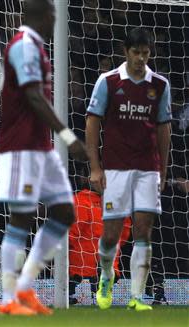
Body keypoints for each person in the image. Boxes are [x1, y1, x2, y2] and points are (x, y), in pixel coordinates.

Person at [0, 0, 87, 316]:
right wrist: (68, 137)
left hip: (41, 148)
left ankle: (25, 287)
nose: (55, 21)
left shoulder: (36, 46)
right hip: (21, 147)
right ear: (41, 15)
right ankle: (8, 298)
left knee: (64, 212)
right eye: (52, 15)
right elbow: (33, 96)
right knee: (21, 217)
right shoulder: (23, 46)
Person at [85, 27, 171, 311]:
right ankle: (107, 276)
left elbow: (163, 127)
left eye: (146, 53)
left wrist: (163, 171)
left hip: (147, 168)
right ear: (126, 51)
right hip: (116, 168)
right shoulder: (108, 82)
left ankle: (137, 296)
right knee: (111, 234)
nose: (141, 58)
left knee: (144, 230)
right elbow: (92, 122)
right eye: (136, 53)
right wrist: (95, 168)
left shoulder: (159, 84)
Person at [68, 167, 131, 305]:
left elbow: (70, 234)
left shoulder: (79, 201)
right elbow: (124, 233)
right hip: (101, 269)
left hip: (79, 271)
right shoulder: (117, 203)